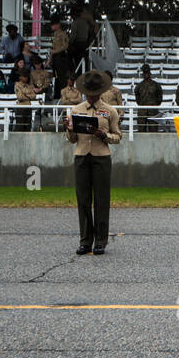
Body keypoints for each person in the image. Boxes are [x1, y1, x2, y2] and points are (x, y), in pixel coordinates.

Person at [65, 70, 123, 255]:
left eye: (94, 93)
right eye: (88, 93)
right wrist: (69, 129)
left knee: (101, 200)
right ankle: (85, 241)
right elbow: (72, 139)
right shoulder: (76, 110)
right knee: (83, 200)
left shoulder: (110, 111)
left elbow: (118, 136)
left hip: (101, 157)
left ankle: (100, 240)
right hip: (82, 155)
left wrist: (104, 135)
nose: (91, 97)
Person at [134, 64, 163, 132]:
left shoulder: (156, 85)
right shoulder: (139, 86)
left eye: (147, 72)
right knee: (141, 131)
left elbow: (159, 98)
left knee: (153, 131)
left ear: (150, 73)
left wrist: (154, 105)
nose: (146, 74)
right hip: (142, 112)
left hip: (153, 111)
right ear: (143, 74)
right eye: (145, 72)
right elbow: (137, 99)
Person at [49, 13, 71, 98]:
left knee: (62, 77)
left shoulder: (63, 34)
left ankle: (64, 94)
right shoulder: (54, 35)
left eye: (53, 24)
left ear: (57, 24)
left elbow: (65, 46)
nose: (52, 26)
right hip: (55, 58)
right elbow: (52, 48)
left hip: (61, 57)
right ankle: (57, 94)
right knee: (56, 77)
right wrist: (50, 59)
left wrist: (55, 51)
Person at [13, 68, 37, 132]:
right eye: (24, 76)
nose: (26, 78)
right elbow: (20, 97)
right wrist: (29, 95)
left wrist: (25, 94)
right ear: (20, 77)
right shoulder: (17, 85)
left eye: (27, 76)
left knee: (28, 126)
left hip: (28, 106)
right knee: (20, 126)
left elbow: (34, 96)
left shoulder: (29, 86)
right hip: (21, 107)